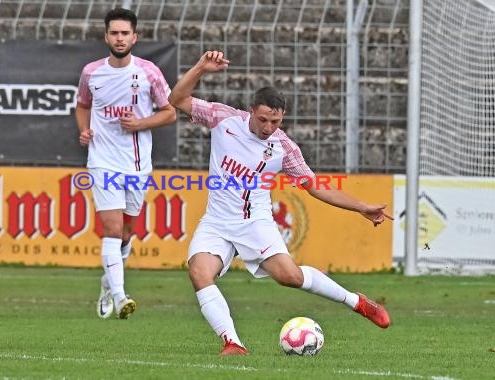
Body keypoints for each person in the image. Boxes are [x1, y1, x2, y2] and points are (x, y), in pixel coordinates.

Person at [168, 51, 393, 356]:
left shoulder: (283, 148)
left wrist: (361, 207)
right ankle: (232, 342)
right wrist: (200, 68)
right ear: (250, 111)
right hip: (217, 223)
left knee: (291, 277)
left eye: (275, 121)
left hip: (254, 223)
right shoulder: (224, 119)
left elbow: (315, 187)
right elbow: (176, 98)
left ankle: (356, 302)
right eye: (262, 119)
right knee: (198, 272)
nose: (267, 127)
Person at [75, 8, 176, 320]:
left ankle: (108, 282)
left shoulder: (149, 73)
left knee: (126, 232)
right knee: (111, 227)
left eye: (124, 33)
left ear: (135, 37)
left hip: (136, 166)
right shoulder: (91, 72)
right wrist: (84, 130)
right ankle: (120, 296)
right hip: (102, 163)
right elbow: (82, 105)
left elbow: (170, 112)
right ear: (106, 36)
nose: (119, 38)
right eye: (114, 33)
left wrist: (141, 123)